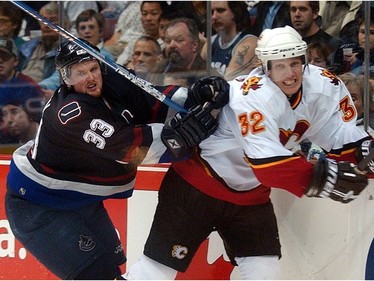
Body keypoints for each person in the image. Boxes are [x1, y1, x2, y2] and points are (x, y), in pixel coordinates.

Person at [123, 25, 372, 280]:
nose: (289, 74)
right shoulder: (251, 95)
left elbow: (337, 131)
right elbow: (268, 167)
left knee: (265, 274)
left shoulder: (324, 85)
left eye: (295, 64)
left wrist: (363, 147)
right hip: (196, 188)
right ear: (266, 67)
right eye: (280, 66)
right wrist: (323, 178)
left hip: (250, 198)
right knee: (156, 271)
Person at [4, 40, 221, 280]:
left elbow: (150, 98)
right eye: (80, 73)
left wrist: (192, 97)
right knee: (99, 276)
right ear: (65, 78)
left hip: (77, 199)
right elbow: (132, 149)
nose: (91, 77)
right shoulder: (69, 114)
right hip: (39, 207)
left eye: (93, 68)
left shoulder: (112, 79)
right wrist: (181, 136)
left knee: (112, 270)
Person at [39, 8, 114, 98]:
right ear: (78, 32)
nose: (86, 31)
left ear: (101, 31)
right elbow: (57, 78)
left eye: (91, 27)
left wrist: (58, 95)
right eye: (83, 28)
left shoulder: (106, 57)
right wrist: (39, 87)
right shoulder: (70, 55)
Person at [151, 17, 220, 87]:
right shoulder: (160, 70)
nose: (171, 45)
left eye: (179, 40)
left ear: (194, 45)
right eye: (168, 41)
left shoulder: (208, 76)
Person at [0, 37, 43, 145]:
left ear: (15, 61)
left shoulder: (28, 86)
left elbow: (39, 120)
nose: (0, 60)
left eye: (4, 56)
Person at [201, 1, 258, 81]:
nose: (214, 17)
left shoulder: (248, 43)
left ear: (235, 12)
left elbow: (227, 83)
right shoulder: (210, 43)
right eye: (211, 12)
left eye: (220, 10)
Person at [18, 2, 63, 83]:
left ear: (64, 24)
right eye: (43, 20)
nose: (46, 25)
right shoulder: (26, 47)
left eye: (53, 20)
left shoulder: (67, 50)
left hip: (44, 91)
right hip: (19, 88)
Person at [290, 1, 343, 68]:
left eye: (303, 9)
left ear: (315, 13)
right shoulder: (287, 43)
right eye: (293, 10)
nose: (297, 14)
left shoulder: (333, 45)